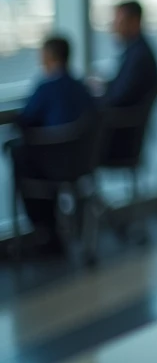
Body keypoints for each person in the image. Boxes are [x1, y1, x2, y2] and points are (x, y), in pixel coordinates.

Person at [14, 35, 96, 252]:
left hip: (52, 164)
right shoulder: (81, 88)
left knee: (20, 156)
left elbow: (26, 119)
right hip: (81, 162)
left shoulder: (46, 88)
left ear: (48, 56)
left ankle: (44, 231)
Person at [95, 0, 157, 113]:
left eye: (120, 22)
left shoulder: (138, 57)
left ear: (134, 22)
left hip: (119, 118)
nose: (115, 28)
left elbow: (120, 96)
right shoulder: (137, 50)